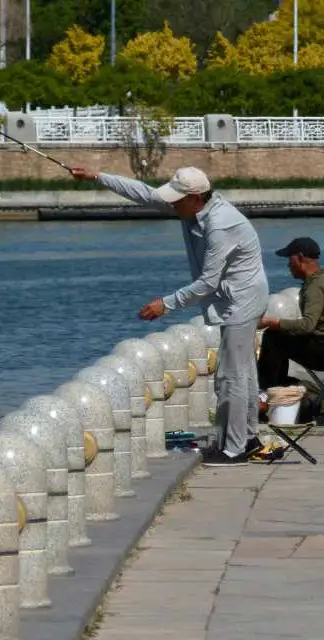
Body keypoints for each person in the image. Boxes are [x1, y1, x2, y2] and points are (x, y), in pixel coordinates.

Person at [70, 165, 269, 467]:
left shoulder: (220, 225)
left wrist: (166, 304)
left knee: (232, 377)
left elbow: (208, 282)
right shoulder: (194, 208)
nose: (172, 204)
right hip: (235, 299)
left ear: (195, 198)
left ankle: (236, 448)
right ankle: (247, 438)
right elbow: (145, 194)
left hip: (242, 302)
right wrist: (97, 177)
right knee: (241, 373)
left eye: (177, 199)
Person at [257, 236, 324, 403]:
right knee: (280, 338)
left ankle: (264, 391)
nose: (288, 265)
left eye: (289, 259)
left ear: (299, 257)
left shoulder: (315, 286)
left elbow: (307, 325)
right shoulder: (323, 280)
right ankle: (277, 386)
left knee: (272, 336)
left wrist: (272, 322)